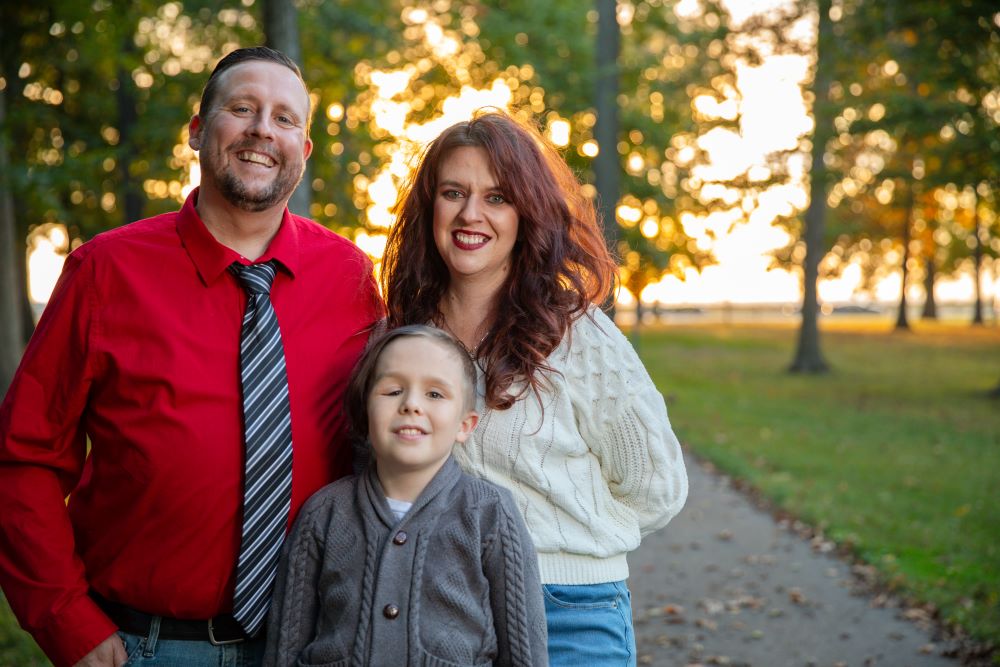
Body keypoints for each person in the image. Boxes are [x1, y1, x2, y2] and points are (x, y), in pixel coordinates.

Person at [0, 47, 382, 667]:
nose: (263, 128)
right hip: (145, 646)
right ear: (198, 132)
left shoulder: (351, 279)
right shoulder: (105, 271)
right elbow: (25, 458)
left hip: (312, 643)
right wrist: (67, 622)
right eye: (242, 108)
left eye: (286, 118)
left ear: (304, 153)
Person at [381, 110, 689, 667]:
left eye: (497, 197)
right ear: (431, 207)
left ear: (527, 212)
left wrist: (562, 547)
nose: (471, 213)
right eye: (454, 192)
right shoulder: (402, 333)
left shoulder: (577, 335)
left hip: (569, 611)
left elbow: (657, 486)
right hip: (442, 609)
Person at [263, 325, 548, 666]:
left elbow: (524, 652)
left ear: (465, 425)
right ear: (366, 412)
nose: (411, 405)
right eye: (393, 390)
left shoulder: (490, 513)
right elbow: (285, 647)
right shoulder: (323, 513)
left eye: (435, 395)